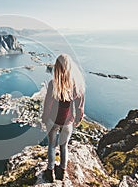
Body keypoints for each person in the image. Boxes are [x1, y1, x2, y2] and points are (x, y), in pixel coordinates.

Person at [41, 54, 85, 182]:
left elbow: (48, 105)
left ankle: (50, 172)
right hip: (68, 122)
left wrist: (44, 118)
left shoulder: (53, 84)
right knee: (64, 146)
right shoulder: (76, 84)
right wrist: (78, 119)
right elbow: (79, 106)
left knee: (52, 146)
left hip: (53, 121)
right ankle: (62, 171)